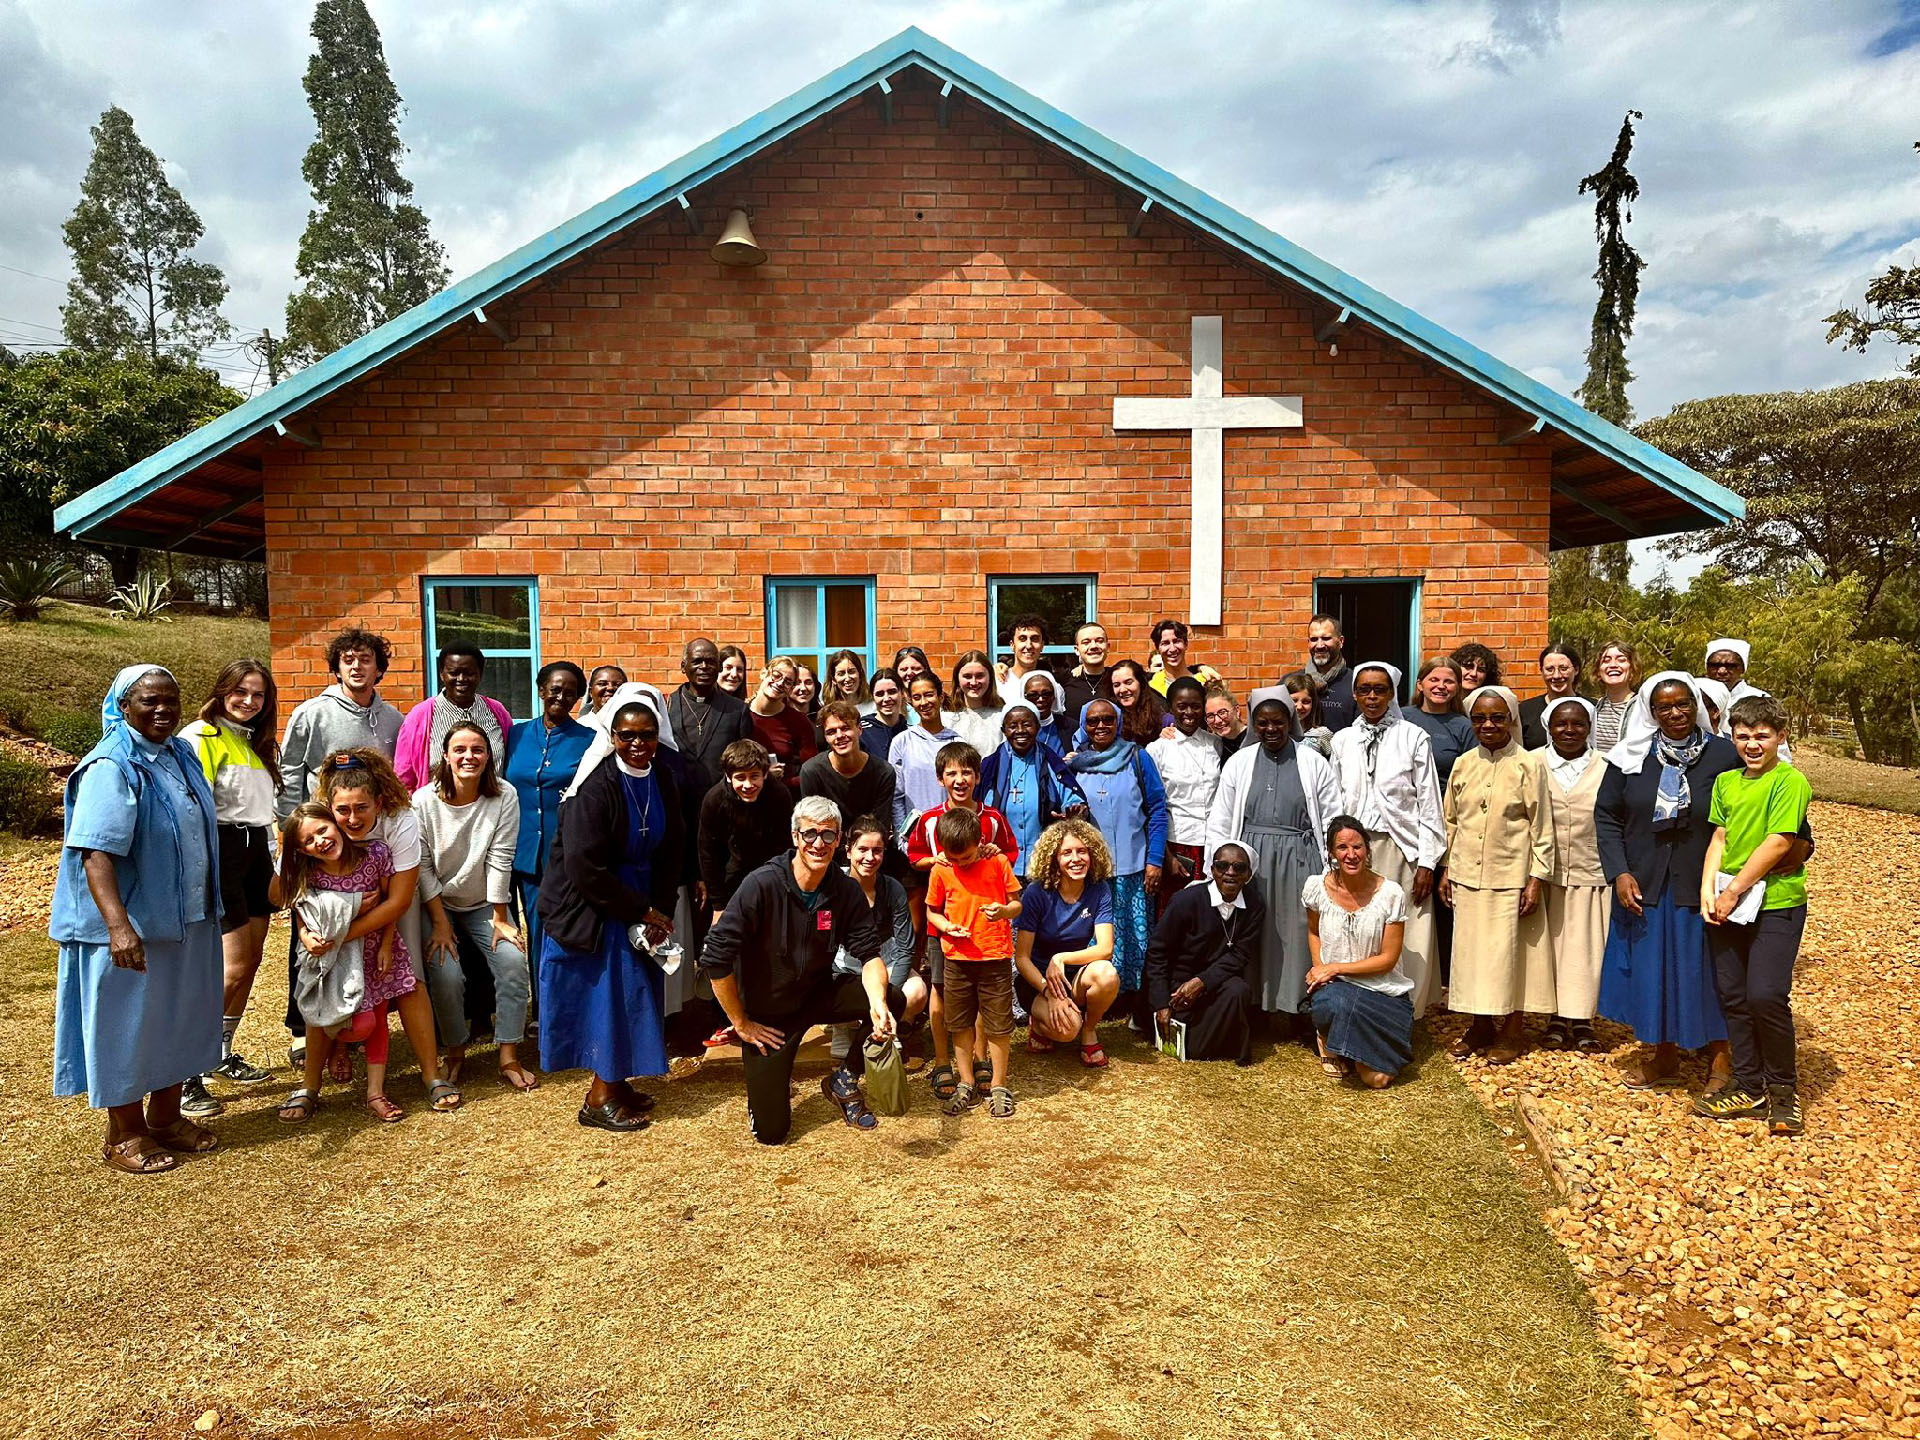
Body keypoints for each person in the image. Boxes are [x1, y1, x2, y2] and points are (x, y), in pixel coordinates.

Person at [52, 666, 224, 1174]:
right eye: (149, 701)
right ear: (123, 706)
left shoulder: (180, 754)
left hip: (186, 917)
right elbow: (94, 853)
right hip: (132, 926)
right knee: (125, 1027)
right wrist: (118, 926)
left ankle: (167, 1118)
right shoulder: (111, 765)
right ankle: (124, 1132)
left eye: (170, 700)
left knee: (181, 1019)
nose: (162, 710)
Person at [699, 796, 897, 1143]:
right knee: (772, 1133)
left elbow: (869, 956)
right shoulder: (761, 884)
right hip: (769, 1015)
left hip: (817, 994)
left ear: (839, 842)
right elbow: (715, 958)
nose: (818, 843)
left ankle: (844, 1078)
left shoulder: (844, 889)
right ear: (795, 837)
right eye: (810, 834)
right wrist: (741, 1023)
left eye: (828, 835)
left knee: (894, 996)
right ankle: (768, 1087)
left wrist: (878, 1005)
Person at [537, 699, 684, 1131]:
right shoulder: (596, 786)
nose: (638, 743)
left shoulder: (664, 778)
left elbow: (672, 848)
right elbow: (584, 867)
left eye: (647, 735)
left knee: (637, 995)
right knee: (609, 999)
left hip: (641, 898)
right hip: (598, 905)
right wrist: (642, 910)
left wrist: (661, 911)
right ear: (612, 738)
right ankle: (598, 1096)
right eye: (628, 736)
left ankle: (618, 1082)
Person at [1594, 672, 1742, 1092]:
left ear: (1696, 704)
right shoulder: (1631, 757)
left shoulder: (1723, 755)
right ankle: (1663, 1056)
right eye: (1664, 707)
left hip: (1702, 883)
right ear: (1650, 711)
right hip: (1646, 882)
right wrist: (1619, 871)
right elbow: (1607, 816)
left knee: (1709, 972)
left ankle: (1720, 1061)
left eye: (1683, 704)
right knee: (1653, 972)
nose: (1675, 713)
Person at [315, 750, 460, 1111]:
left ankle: (431, 1073)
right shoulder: (321, 818)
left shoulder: (400, 819)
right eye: (343, 811)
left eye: (362, 808)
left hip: (393, 898)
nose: (351, 819)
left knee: (408, 978)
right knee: (324, 977)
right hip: (334, 901)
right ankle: (322, 1069)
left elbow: (398, 900)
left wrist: (346, 937)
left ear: (379, 802)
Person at [1696, 694, 1813, 1135]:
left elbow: (1780, 842)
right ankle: (1748, 1082)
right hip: (1728, 902)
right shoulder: (1727, 782)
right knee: (1734, 994)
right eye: (1743, 736)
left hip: (1776, 902)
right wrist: (1709, 889)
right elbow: (1720, 838)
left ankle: (1783, 1089)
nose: (1752, 745)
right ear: (1732, 737)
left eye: (1762, 736)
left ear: (1780, 737)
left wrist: (1734, 892)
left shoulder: (1789, 781)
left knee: (1765, 995)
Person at [1206, 691, 1342, 1023]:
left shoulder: (1313, 762)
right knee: (1252, 928)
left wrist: (1333, 866)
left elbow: (1332, 814)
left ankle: (1296, 1006)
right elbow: (1221, 817)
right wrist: (1219, 864)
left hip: (1300, 858)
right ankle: (1254, 1006)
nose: (1270, 729)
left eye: (1278, 722)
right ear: (1253, 724)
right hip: (1250, 862)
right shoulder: (1239, 761)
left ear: (1290, 722)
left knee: (1297, 930)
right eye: (1262, 723)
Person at [276, 802, 415, 1123]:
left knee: (374, 1020)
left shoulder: (375, 855)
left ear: (334, 823)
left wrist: (385, 945)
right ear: (303, 850)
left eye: (322, 830)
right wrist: (306, 936)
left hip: (372, 949)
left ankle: (375, 1092)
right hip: (329, 957)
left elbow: (390, 903)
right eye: (309, 841)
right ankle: (311, 1085)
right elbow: (305, 909)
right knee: (321, 1015)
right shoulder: (310, 871)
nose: (320, 841)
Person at [415, 722, 534, 1091]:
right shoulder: (422, 801)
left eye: (478, 749)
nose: (469, 757)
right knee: (446, 974)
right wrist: (438, 921)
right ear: (446, 756)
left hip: (485, 902)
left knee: (513, 963)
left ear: (489, 755)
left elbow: (501, 856)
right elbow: (421, 865)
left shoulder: (504, 796)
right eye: (461, 750)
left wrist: (501, 916)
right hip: (436, 903)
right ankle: (454, 1050)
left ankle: (509, 1054)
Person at [1440, 686, 1553, 1065]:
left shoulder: (1529, 764)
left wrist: (1536, 878)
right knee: (1472, 954)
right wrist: (1445, 870)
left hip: (1512, 874)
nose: (1488, 725)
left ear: (1511, 720)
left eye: (1497, 717)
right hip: (1467, 872)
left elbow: (1542, 826)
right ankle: (1480, 1023)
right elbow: (1450, 820)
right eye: (1480, 718)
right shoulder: (1463, 763)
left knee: (1510, 954)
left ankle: (1513, 1028)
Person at [187, 658, 281, 1097]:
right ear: (222, 690)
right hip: (222, 852)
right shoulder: (200, 736)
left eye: (258, 694)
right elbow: (193, 810)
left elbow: (265, 814)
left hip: (256, 852)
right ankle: (187, 1072)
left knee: (252, 963)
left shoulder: (256, 742)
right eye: (240, 691)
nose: (248, 701)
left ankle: (221, 1052)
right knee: (232, 967)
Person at [903, 740, 1019, 1098]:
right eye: (951, 772)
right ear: (940, 778)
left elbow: (1009, 855)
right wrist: (934, 863)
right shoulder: (929, 818)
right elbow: (914, 856)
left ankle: (980, 1058)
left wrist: (997, 853)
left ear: (977, 777)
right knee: (942, 989)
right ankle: (942, 1060)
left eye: (966, 771)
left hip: (985, 927)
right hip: (946, 923)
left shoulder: (993, 818)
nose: (959, 779)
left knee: (984, 992)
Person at [1328, 662, 1444, 1014]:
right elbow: (1335, 798)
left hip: (1402, 847)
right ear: (1355, 694)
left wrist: (1427, 861)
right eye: (1364, 689)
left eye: (1380, 689)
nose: (1372, 697)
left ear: (1392, 693)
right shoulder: (1344, 740)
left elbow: (1429, 802)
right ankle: (1362, 1006)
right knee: (1361, 929)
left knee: (1407, 931)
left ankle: (1408, 1010)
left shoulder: (1412, 737)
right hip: (1355, 850)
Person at [1523, 697, 1610, 1054]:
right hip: (1543, 873)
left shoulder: (1606, 766)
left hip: (1591, 869)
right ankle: (1555, 1016)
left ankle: (1582, 1019)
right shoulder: (1532, 763)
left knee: (1584, 950)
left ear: (1589, 727)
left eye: (1577, 724)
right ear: (1548, 727)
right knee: (1550, 948)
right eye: (1561, 724)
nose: (1569, 730)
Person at [1066, 699, 1168, 1002]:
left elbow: (1158, 809)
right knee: (1094, 932)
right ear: (1084, 725)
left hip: (1133, 865)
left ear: (1118, 722)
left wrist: (1155, 860)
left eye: (1108, 720)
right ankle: (1097, 992)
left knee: (1134, 935)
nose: (1101, 726)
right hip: (1089, 870)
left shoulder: (1137, 757)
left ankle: (1130, 996)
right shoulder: (1073, 765)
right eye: (1093, 721)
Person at [925, 807, 1023, 1117]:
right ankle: (965, 1081)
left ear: (980, 842)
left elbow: (1016, 904)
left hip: (994, 956)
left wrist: (1004, 912)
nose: (959, 864)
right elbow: (932, 911)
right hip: (956, 958)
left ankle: (998, 1084)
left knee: (998, 1025)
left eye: (965, 858)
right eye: (953, 859)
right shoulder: (942, 868)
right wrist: (945, 926)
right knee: (959, 1024)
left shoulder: (997, 861)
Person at [1303, 817, 1413, 1087]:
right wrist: (1321, 971)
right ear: (1331, 853)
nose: (1351, 855)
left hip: (1383, 990)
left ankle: (1350, 1047)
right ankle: (1329, 1038)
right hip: (1336, 989)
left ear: (1368, 849)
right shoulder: (1316, 888)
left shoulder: (1391, 894)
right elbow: (1314, 932)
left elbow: (1388, 960)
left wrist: (1335, 967)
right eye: (1342, 848)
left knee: (1378, 1079)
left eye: (1358, 847)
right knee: (1336, 1003)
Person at [503, 662, 594, 964]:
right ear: (541, 690)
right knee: (516, 931)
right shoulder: (515, 735)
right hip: (516, 847)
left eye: (570, 693)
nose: (561, 697)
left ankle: (548, 1005)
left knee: (550, 930)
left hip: (562, 851)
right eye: (555, 690)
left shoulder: (589, 740)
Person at [1015, 819, 1120, 1066]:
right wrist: (1049, 991)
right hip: (1038, 982)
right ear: (1054, 859)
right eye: (1067, 853)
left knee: (1106, 974)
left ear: (1092, 854)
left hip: (1074, 979)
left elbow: (1105, 948)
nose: (1076, 859)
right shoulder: (1036, 893)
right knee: (1066, 1030)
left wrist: (1061, 958)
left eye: (1082, 851)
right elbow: (1021, 958)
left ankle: (1089, 1031)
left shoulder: (1099, 889)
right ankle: (1039, 1025)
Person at [1145, 841, 1261, 1063]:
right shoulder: (1185, 900)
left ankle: (1201, 1043)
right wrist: (1161, 1003)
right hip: (1176, 987)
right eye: (1222, 866)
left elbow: (1239, 956)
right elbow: (1157, 953)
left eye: (1239, 868)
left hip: (1213, 983)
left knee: (1239, 990)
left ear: (1248, 874)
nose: (1230, 873)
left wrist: (1201, 982)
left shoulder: (1254, 905)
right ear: (1212, 870)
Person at [278, 628, 404, 815]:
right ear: (337, 670)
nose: (356, 666)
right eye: (348, 661)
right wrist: (290, 822)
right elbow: (289, 771)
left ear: (378, 670)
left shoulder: (394, 719)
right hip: (325, 828)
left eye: (365, 660)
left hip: (380, 829)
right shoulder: (310, 714)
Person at [978, 700, 1088, 874]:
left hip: (1043, 863)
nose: (1020, 731)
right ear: (1003, 730)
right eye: (1013, 726)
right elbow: (976, 807)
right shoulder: (990, 765)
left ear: (1037, 728)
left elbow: (1071, 796)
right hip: (998, 865)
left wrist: (1074, 810)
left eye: (1027, 724)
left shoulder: (1051, 761)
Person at [393, 643, 516, 791]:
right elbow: (403, 778)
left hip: (492, 808)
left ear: (480, 674)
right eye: (453, 673)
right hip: (438, 810)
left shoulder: (497, 712)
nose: (461, 679)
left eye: (469, 673)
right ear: (441, 674)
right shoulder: (419, 717)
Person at [1147, 677, 1224, 912]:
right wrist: (1165, 855)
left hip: (1213, 841)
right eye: (1182, 706)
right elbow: (1152, 806)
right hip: (1177, 844)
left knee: (1211, 911)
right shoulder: (1157, 749)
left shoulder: (1215, 743)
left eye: (1195, 706)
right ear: (1171, 708)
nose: (1189, 712)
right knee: (1176, 912)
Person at [699, 739, 796, 920]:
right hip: (731, 877)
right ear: (729, 777)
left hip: (771, 872)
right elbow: (708, 854)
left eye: (754, 776)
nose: (748, 785)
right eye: (740, 777)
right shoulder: (714, 800)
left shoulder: (779, 795)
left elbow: (785, 846)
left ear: (765, 774)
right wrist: (719, 905)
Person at [800, 701, 899, 862]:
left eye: (845, 728)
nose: (839, 736)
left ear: (859, 729)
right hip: (826, 851)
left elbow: (878, 826)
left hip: (869, 854)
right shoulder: (812, 772)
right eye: (831, 731)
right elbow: (814, 824)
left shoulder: (883, 772)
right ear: (825, 737)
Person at [667, 638, 755, 802]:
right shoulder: (666, 706)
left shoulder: (737, 710)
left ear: (719, 667)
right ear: (683, 666)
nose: (704, 667)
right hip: (676, 803)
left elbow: (745, 760)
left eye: (710, 662)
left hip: (723, 803)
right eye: (697, 661)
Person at [888, 673, 960, 835]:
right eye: (917, 697)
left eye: (929, 695)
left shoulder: (956, 742)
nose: (924, 702)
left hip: (951, 836)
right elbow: (897, 797)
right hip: (915, 837)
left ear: (940, 697)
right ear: (910, 702)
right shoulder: (902, 742)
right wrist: (903, 839)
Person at [742, 655, 815, 795]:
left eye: (788, 682)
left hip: (784, 799)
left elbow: (810, 771)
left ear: (791, 689)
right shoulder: (739, 714)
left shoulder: (798, 721)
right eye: (776, 675)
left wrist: (783, 782)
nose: (780, 683)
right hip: (744, 798)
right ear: (763, 673)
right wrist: (762, 775)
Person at [1402, 656, 1474, 787]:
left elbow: (1471, 776)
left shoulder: (1465, 727)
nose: (1441, 686)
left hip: (1444, 803)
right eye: (1433, 680)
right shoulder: (1401, 718)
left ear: (1458, 687)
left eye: (1448, 682)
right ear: (1420, 685)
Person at [1519, 643, 1584, 750]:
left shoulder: (1592, 708)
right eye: (1549, 669)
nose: (1556, 675)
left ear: (1576, 670)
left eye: (1563, 668)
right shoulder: (1525, 710)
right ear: (1541, 671)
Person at [945, 649, 1007, 755]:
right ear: (957, 679)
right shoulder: (945, 716)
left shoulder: (1002, 715)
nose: (973, 682)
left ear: (990, 678)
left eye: (980, 676)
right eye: (967, 676)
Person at [1304, 614, 1357, 731]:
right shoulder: (1292, 682)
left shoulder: (1356, 683)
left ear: (1341, 641)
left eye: (1326, 638)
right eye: (1314, 639)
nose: (1320, 645)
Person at [1147, 618, 1222, 695]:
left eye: (1177, 641)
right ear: (1158, 649)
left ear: (1186, 644)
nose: (1172, 649)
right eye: (1165, 643)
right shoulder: (1150, 688)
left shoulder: (1205, 682)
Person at [1060, 621, 1116, 720]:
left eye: (1099, 641)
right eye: (1086, 642)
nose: (1093, 646)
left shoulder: (1118, 680)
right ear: (1077, 650)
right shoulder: (1064, 681)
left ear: (1108, 647)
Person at [1591, 642, 1639, 754]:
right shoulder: (1595, 708)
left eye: (1621, 660)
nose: (1613, 665)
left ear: (1632, 668)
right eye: (1606, 660)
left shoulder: (1642, 708)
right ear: (1598, 670)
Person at [1108, 658, 1167, 745]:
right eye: (1116, 685)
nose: (1122, 689)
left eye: (1128, 682)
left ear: (1141, 683)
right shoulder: (1109, 719)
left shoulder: (1163, 719)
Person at [995, 613, 1051, 704]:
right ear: (1012, 645)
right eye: (1022, 639)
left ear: (1042, 645)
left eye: (1035, 639)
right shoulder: (998, 683)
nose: (1029, 645)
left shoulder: (1050, 685)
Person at [860, 667, 909, 765]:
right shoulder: (861, 731)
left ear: (902, 693)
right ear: (873, 697)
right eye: (880, 694)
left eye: (892, 692)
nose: (886, 699)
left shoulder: (910, 732)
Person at [1279, 671, 1334, 758]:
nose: (1300, 707)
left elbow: (1334, 764)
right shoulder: (1277, 733)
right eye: (1294, 700)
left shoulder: (1321, 734)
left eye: (1306, 702)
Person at [1021, 669, 1073, 755]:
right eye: (1033, 695)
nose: (1040, 699)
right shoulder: (1017, 728)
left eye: (1046, 694)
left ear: (1054, 696)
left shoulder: (1070, 727)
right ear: (1024, 697)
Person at [1204, 683, 1245, 751]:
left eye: (1222, 712)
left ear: (1237, 711)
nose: (1217, 720)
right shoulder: (1214, 746)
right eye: (1210, 716)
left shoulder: (1255, 740)